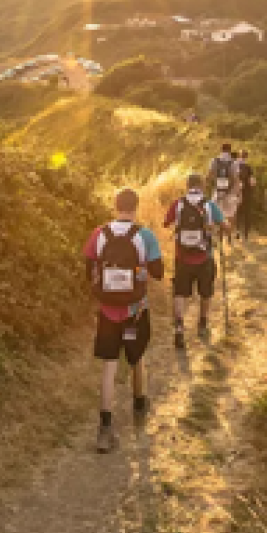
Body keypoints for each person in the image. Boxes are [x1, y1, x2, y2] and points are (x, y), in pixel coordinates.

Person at [83, 187, 164, 453]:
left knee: (108, 365)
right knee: (136, 356)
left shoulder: (100, 233)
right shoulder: (145, 235)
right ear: (136, 206)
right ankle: (139, 404)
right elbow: (159, 272)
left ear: (115, 206)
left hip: (107, 311)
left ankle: (105, 427)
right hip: (135, 310)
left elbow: (88, 269)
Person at [164, 175, 226, 348]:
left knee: (179, 292)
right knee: (206, 291)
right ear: (202, 185)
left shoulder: (178, 204)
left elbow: (165, 223)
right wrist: (219, 227)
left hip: (182, 257)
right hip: (204, 256)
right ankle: (203, 323)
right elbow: (224, 224)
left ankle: (178, 326)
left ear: (187, 186)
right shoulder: (209, 205)